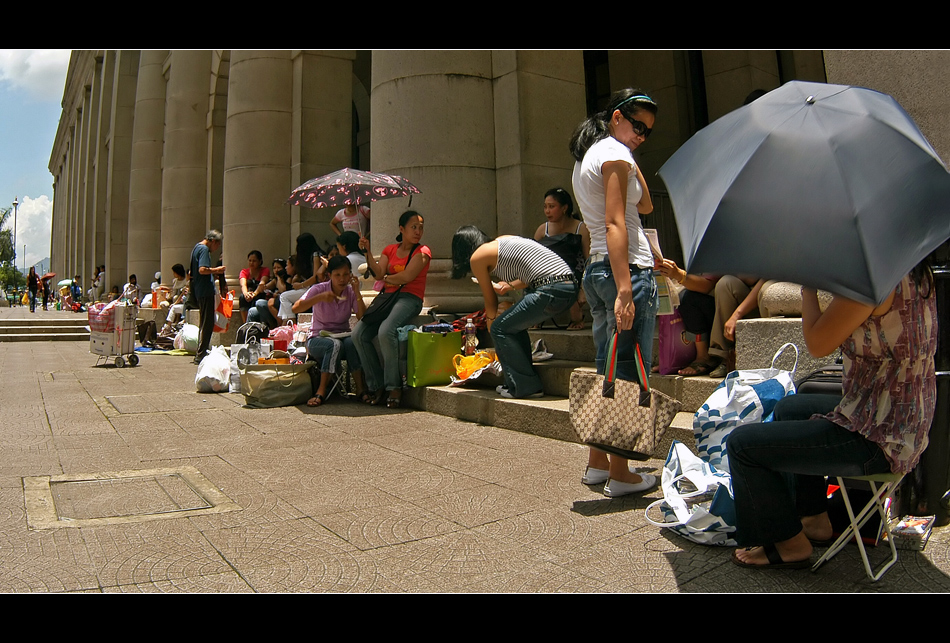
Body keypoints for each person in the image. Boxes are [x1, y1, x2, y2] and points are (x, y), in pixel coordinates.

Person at [728, 264, 936, 569]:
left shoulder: (871, 284)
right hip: (895, 420)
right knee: (789, 408)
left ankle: (789, 543)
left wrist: (808, 287)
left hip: (878, 438)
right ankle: (813, 518)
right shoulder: (915, 272)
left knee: (742, 446)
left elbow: (817, 343)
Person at [570, 88, 660, 497]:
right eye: (637, 125)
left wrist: (631, 152)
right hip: (625, 271)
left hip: (600, 271)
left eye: (648, 132)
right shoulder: (613, 154)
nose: (641, 135)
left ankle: (597, 463)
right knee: (626, 369)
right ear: (618, 116)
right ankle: (622, 473)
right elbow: (613, 223)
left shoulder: (595, 156)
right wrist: (626, 288)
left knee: (607, 365)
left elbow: (645, 209)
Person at [452, 225, 577, 398]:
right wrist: (507, 286)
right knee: (513, 327)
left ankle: (526, 386)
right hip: (568, 287)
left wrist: (490, 322)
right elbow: (536, 268)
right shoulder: (503, 240)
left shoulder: (477, 257)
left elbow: (490, 300)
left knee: (500, 329)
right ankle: (516, 383)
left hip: (549, 290)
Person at [353, 210, 430, 408]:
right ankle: (377, 384)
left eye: (421, 227)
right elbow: (378, 272)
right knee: (358, 334)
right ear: (401, 229)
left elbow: (406, 277)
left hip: (410, 298)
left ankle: (393, 386)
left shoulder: (423, 252)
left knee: (386, 331)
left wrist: (386, 279)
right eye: (414, 227)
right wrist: (367, 252)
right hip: (387, 298)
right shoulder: (390, 250)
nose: (418, 231)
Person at [292, 254, 368, 407]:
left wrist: (357, 292)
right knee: (334, 345)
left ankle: (360, 389)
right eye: (337, 275)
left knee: (352, 343)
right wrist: (318, 298)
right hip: (318, 339)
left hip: (342, 334)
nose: (342, 279)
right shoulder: (319, 289)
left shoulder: (350, 292)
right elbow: (296, 307)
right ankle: (321, 391)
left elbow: (361, 316)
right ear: (330, 275)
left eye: (346, 274)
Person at [534, 187, 589, 330]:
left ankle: (577, 318)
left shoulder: (581, 228)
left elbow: (588, 258)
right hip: (547, 273)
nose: (547, 211)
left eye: (552, 207)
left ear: (564, 208)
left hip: (574, 272)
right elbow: (531, 258)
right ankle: (535, 317)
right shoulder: (542, 230)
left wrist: (584, 289)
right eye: (545, 207)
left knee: (568, 280)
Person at [190, 230, 225, 364]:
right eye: (218, 245)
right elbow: (202, 269)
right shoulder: (204, 249)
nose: (217, 248)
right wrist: (216, 270)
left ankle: (201, 351)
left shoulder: (196, 248)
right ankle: (201, 353)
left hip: (200, 290)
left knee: (205, 321)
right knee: (207, 323)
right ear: (213, 241)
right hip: (205, 291)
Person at [239, 250, 271, 323]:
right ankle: (245, 323)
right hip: (249, 294)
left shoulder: (265, 270)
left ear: (260, 261)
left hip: (259, 294)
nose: (251, 263)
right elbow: (243, 284)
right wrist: (246, 294)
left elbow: (262, 283)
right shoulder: (244, 271)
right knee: (242, 298)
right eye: (250, 260)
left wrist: (254, 294)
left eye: (254, 261)